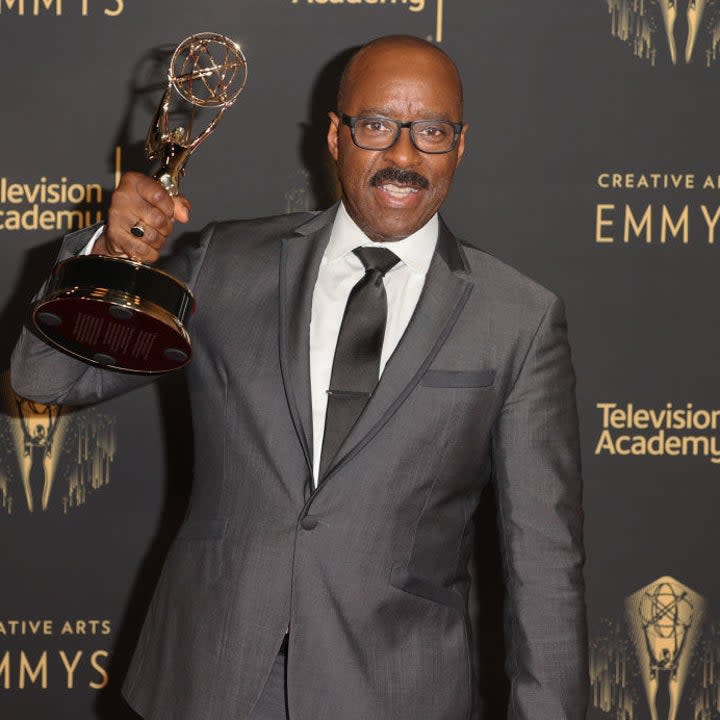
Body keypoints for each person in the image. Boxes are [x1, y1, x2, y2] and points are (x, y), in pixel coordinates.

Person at [12, 35, 588, 720]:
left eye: (431, 131)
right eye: (377, 126)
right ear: (336, 138)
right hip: (203, 681)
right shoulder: (228, 262)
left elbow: (544, 563)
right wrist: (108, 255)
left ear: (459, 146)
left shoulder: (518, 317)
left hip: (394, 695)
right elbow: (47, 378)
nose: (404, 156)